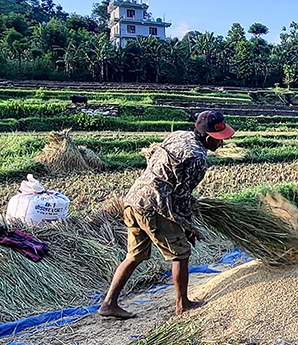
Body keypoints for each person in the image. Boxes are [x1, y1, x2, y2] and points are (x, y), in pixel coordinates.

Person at [98, 111, 236, 318]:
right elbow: (181, 198)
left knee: (133, 256)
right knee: (181, 253)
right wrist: (189, 227)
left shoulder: (179, 135)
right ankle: (183, 304)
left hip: (134, 201)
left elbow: (153, 155)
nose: (222, 144)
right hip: (155, 208)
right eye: (220, 140)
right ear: (208, 138)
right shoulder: (197, 158)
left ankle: (108, 304)